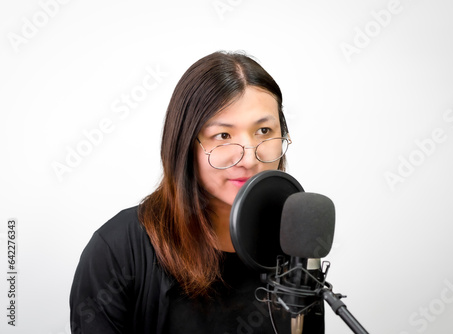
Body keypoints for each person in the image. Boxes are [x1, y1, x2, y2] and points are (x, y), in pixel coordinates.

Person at [69, 51, 325, 333]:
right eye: (224, 136)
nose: (249, 159)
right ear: (186, 144)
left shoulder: (294, 244)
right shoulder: (118, 249)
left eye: (264, 131)